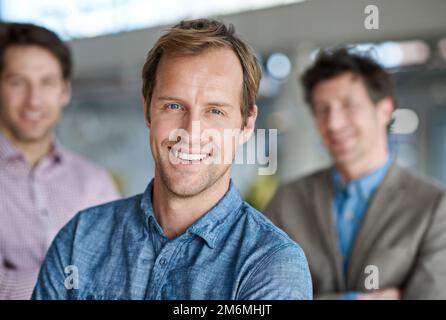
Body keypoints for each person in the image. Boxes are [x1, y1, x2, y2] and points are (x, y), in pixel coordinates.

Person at [32, 19, 312, 300]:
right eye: (174, 106)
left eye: (215, 111)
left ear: (247, 124)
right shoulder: (80, 238)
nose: (191, 131)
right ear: (148, 111)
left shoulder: (270, 265)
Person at [265, 48, 446, 299]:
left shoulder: (434, 206)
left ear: (384, 111)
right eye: (322, 109)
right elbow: (260, 298)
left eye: (348, 106)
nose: (333, 123)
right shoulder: (288, 200)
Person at [0, 23, 120, 299]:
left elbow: (121, 269)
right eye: (18, 82)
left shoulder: (94, 182)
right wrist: (84, 274)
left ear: (64, 91)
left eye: (47, 82)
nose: (33, 101)